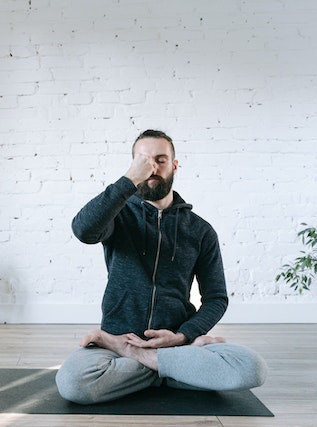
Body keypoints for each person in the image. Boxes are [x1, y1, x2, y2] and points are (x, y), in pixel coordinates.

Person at [55, 129, 267, 405]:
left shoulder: (201, 231)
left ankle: (148, 363)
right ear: (133, 165)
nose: (152, 168)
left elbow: (216, 298)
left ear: (175, 166)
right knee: (74, 384)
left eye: (161, 160)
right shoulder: (117, 217)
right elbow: (83, 230)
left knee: (252, 368)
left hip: (176, 346)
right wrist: (129, 179)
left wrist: (184, 335)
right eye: (144, 161)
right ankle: (171, 372)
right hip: (117, 342)